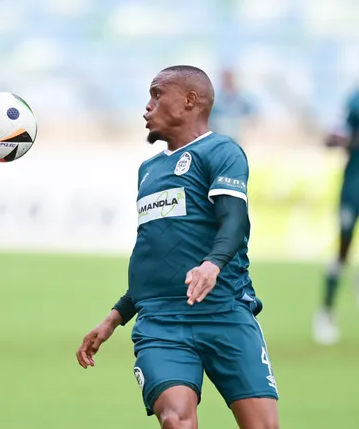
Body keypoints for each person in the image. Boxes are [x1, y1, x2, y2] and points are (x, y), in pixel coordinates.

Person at [76, 66, 279, 429]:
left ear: (189, 100)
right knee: (176, 420)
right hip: (161, 324)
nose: (147, 106)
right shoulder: (148, 170)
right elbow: (154, 257)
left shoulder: (222, 151)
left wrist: (212, 264)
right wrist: (114, 318)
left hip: (225, 313)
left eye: (157, 95)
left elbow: (234, 220)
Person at [313, 88, 359, 345]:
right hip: (354, 187)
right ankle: (326, 312)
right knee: (343, 250)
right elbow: (331, 139)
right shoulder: (353, 101)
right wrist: (344, 139)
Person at [209, 69, 255, 145]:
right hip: (219, 137)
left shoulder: (241, 99)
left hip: (236, 137)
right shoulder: (215, 99)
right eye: (225, 79)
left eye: (229, 78)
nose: (227, 81)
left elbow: (252, 114)